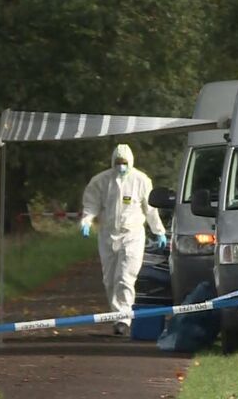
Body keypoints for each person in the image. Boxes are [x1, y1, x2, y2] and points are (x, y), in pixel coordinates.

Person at [80, 144, 168, 336]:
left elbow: (150, 209)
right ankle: (116, 315)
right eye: (118, 163)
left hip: (132, 235)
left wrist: (159, 231)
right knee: (109, 280)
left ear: (131, 162)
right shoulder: (101, 181)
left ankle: (123, 319)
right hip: (108, 235)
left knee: (125, 277)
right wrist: (86, 221)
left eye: (124, 163)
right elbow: (91, 203)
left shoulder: (141, 180)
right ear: (113, 162)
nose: (121, 166)